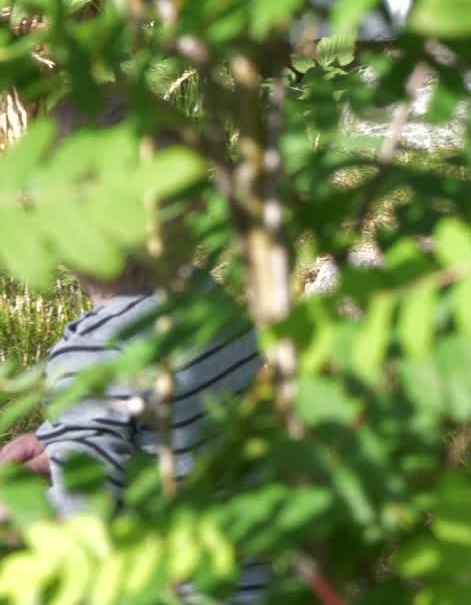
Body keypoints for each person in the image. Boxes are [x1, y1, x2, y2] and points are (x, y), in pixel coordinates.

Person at [0, 89, 271, 601]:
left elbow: (83, 525)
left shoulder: (95, 354)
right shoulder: (213, 305)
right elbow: (165, 421)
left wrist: (16, 511)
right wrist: (61, 441)